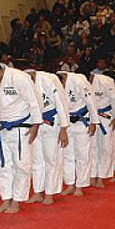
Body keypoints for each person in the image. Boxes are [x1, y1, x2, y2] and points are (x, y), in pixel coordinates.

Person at [0, 59, 42, 214]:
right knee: (2, 165)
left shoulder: (19, 78)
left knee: (21, 164)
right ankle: (6, 199)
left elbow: (34, 102)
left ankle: (17, 201)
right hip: (1, 127)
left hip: (21, 127)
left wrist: (36, 125)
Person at [25, 69, 70, 205]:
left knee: (51, 158)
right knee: (37, 159)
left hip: (52, 121)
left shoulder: (48, 80)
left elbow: (61, 104)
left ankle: (50, 193)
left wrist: (63, 128)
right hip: (35, 123)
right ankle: (38, 192)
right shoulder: (23, 83)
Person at [56, 71, 99, 195]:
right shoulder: (55, 83)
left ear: (64, 79)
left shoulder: (79, 81)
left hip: (82, 120)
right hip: (67, 121)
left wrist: (93, 122)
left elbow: (91, 101)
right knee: (67, 154)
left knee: (82, 154)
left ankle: (80, 185)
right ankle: (70, 184)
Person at [90, 72, 115, 185]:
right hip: (91, 117)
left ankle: (101, 177)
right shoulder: (82, 83)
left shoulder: (106, 81)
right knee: (92, 147)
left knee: (105, 146)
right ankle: (92, 175)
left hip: (106, 116)